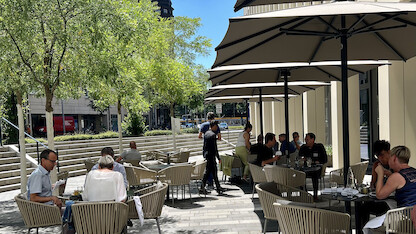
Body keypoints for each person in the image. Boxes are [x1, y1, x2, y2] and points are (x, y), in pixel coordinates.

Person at [364, 146, 416, 234]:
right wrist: (390, 175)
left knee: (369, 226)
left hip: (405, 218)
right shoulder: (413, 171)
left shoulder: (396, 176)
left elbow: (380, 195)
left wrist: (380, 174)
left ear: (394, 158)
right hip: (413, 213)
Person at [200, 121, 226, 195]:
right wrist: (218, 157)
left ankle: (217, 187)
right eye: (216, 125)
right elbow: (215, 148)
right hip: (211, 156)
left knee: (212, 172)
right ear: (213, 126)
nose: (217, 127)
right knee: (209, 172)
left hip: (207, 155)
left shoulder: (206, 133)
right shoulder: (213, 135)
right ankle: (203, 187)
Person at [298, 133, 327, 200]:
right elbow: (299, 158)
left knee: (314, 175)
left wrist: (314, 161)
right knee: (299, 174)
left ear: (312, 139)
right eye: (305, 139)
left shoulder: (319, 147)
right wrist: (303, 160)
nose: (306, 141)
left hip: (317, 169)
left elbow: (324, 159)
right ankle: (304, 194)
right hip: (305, 168)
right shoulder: (303, 147)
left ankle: (315, 195)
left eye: (307, 139)